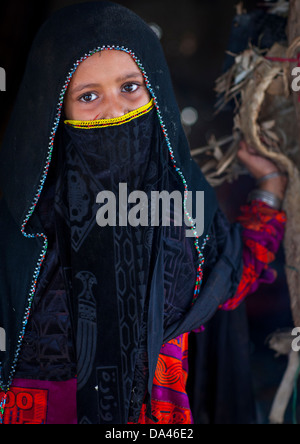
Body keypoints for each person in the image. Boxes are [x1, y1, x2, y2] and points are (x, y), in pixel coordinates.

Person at [0, 1, 287, 424]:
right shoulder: (23, 225)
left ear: (155, 88)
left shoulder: (184, 204)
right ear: (55, 111)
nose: (115, 111)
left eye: (130, 87)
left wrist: (270, 191)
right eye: (89, 96)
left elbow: (227, 274)